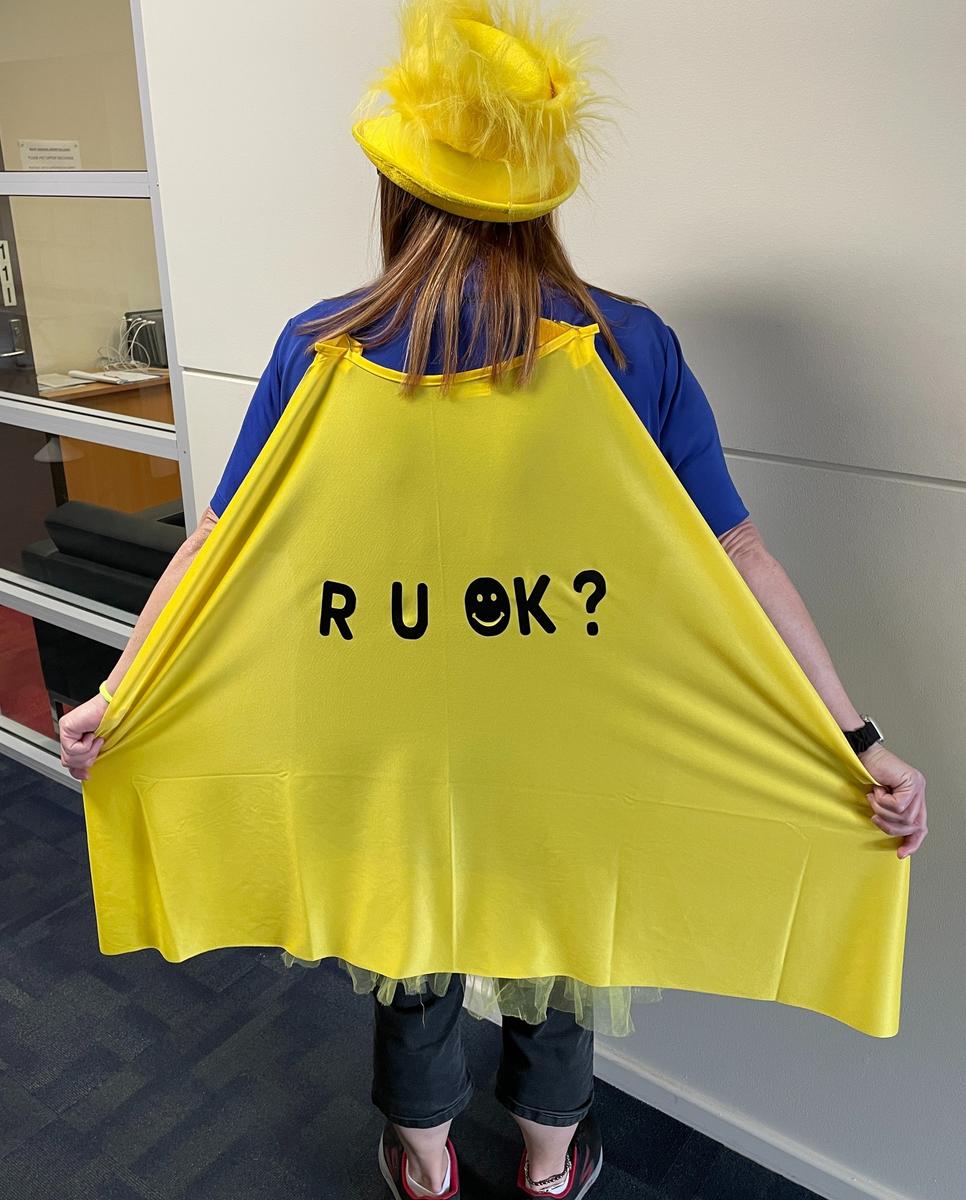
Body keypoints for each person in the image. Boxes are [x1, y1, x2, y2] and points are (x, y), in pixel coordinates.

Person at [60, 2, 927, 1198]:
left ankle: (424, 1165)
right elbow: (737, 551)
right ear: (537, 195)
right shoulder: (630, 345)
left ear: (398, 187)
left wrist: (119, 691)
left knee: (410, 935)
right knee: (555, 936)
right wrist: (856, 738)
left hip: (391, 728)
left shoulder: (323, 346)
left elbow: (218, 544)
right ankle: (551, 1161)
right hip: (570, 729)